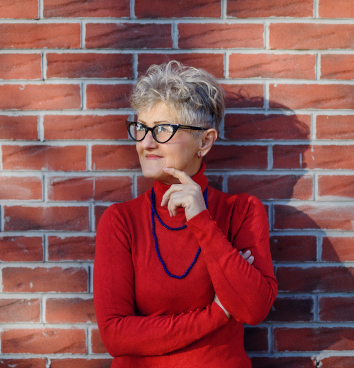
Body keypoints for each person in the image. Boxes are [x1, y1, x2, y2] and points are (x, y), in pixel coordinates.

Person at [93, 61, 278, 367]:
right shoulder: (121, 222)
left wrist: (203, 222)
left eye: (163, 129)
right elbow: (116, 335)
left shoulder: (241, 212)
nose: (146, 143)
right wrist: (218, 313)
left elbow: (253, 308)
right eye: (141, 128)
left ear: (204, 142)